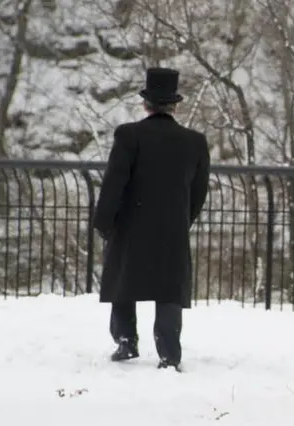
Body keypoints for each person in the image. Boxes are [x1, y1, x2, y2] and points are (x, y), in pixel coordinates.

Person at [92, 67, 210, 372]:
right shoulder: (195, 142)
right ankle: (169, 353)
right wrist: (183, 219)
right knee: (169, 289)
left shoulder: (129, 135)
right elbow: (199, 191)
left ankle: (126, 341)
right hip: (172, 227)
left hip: (131, 223)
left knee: (123, 281)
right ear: (174, 106)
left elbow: (115, 182)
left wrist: (105, 221)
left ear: (146, 103)